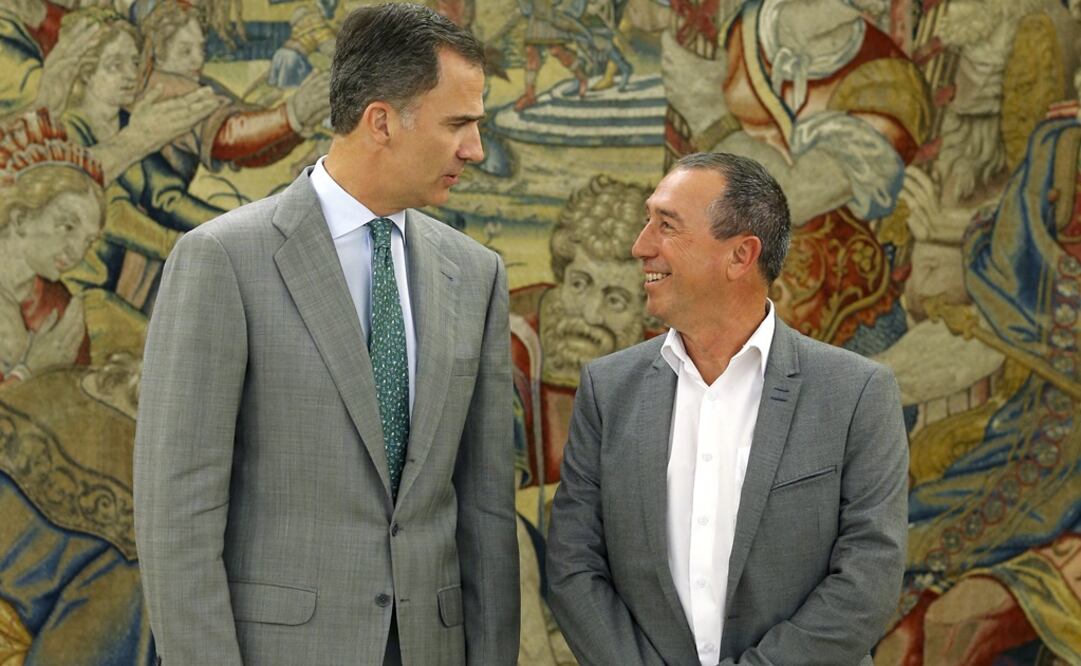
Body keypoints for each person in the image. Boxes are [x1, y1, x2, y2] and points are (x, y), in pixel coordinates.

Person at [133, 4, 519, 665]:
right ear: (381, 122)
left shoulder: (476, 273)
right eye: (458, 124)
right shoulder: (222, 260)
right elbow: (177, 517)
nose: (475, 150)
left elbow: (486, 513)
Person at [546, 152, 909, 665]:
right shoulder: (607, 390)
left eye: (666, 226)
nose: (640, 246)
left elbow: (868, 579)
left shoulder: (857, 394)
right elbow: (573, 565)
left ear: (740, 256)